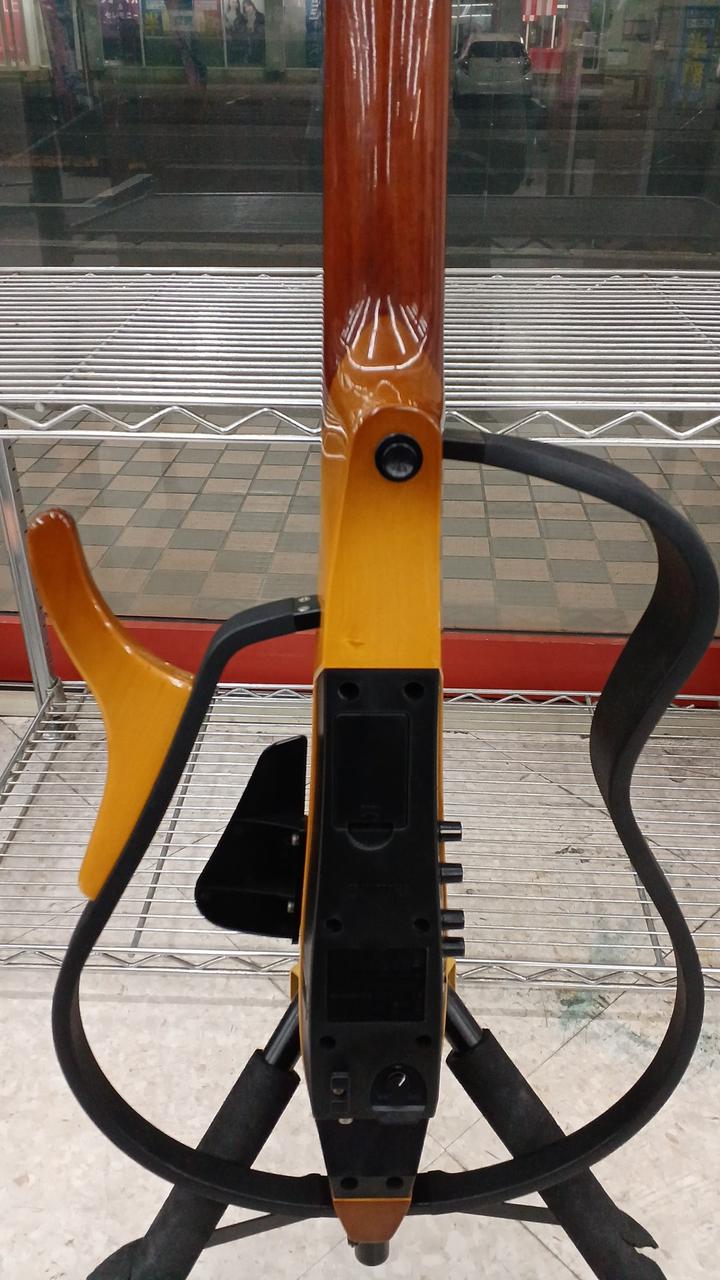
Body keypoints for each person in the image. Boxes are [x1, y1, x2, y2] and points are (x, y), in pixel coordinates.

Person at [228, 0, 265, 65]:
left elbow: (262, 29)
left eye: (249, 6)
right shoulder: (242, 17)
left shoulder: (260, 15)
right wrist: (245, 27)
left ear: (252, 5)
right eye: (245, 7)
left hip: (257, 40)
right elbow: (236, 25)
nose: (247, 8)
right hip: (245, 39)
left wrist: (254, 28)